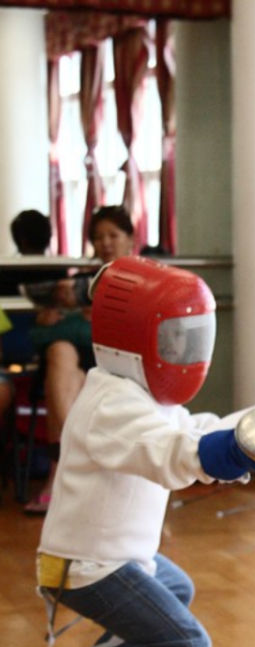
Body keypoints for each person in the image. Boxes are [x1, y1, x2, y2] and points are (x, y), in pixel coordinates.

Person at [36, 256, 255, 647]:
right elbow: (172, 454)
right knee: (187, 645)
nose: (183, 350)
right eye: (173, 338)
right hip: (85, 567)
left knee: (175, 586)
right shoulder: (111, 404)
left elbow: (191, 430)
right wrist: (229, 454)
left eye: (189, 337)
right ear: (134, 338)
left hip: (114, 558)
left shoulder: (143, 396)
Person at [22, 205, 133, 514]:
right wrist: (51, 319)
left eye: (113, 235)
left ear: (130, 239)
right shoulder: (81, 282)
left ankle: (65, 474)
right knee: (59, 354)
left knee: (68, 367)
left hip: (117, 360)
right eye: (98, 237)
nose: (106, 243)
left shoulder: (139, 280)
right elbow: (45, 336)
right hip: (78, 357)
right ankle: (71, 469)